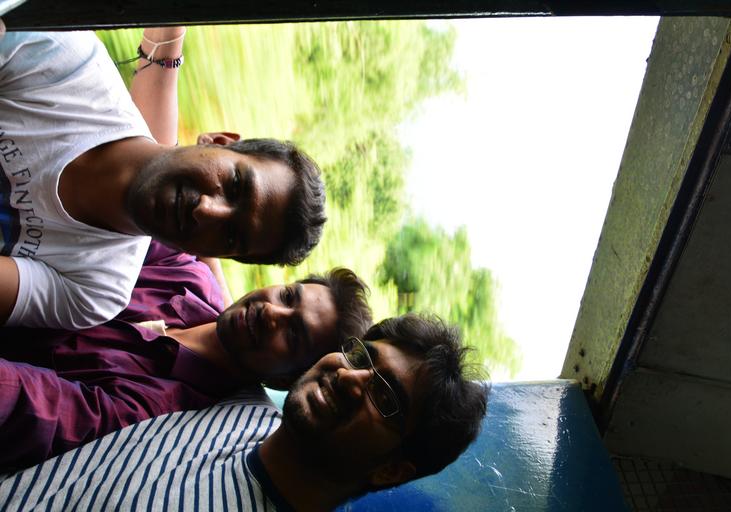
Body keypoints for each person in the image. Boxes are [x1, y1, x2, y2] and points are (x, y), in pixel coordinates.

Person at [0, 29, 326, 330]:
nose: (206, 211)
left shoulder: (97, 289)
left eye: (229, 237)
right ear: (217, 141)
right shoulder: (66, 66)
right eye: (234, 185)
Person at [0, 314, 490, 512]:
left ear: (391, 470)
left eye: (384, 397)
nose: (348, 377)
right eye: (361, 356)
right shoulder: (241, 405)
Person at [0, 241, 371, 470]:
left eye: (293, 334)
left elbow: (30, 404)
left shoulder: (161, 414)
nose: (272, 312)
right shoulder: (187, 275)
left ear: (284, 379)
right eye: (288, 296)